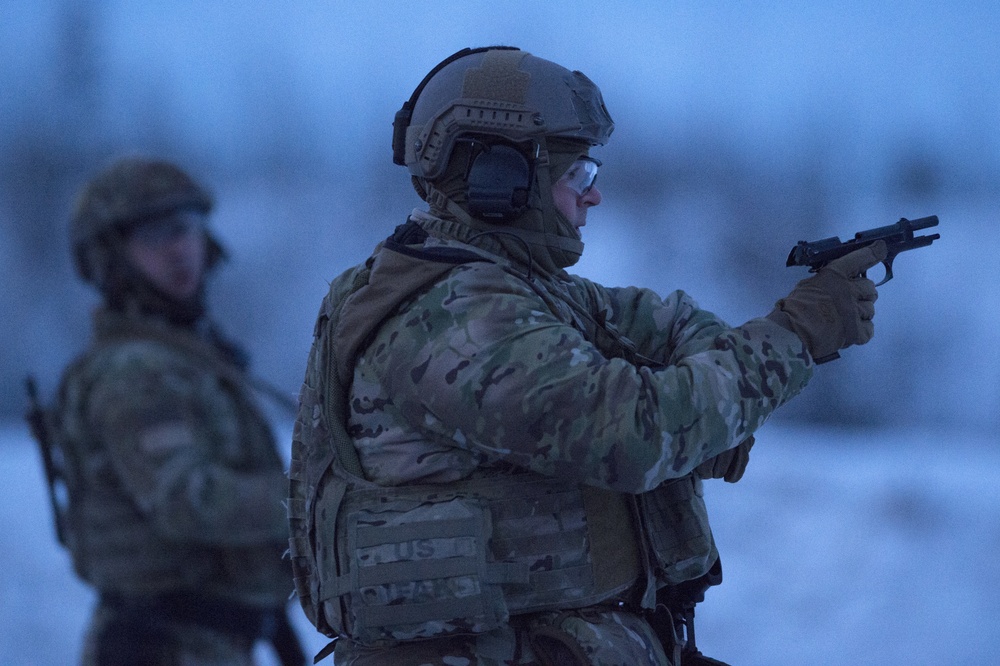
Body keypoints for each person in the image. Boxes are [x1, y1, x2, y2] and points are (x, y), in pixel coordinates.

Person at [287, 47, 885, 666]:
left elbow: (669, 320)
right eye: (578, 177)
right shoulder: (450, 315)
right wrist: (795, 336)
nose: (592, 198)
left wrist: (711, 410)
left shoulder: (526, 288)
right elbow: (630, 433)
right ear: (501, 178)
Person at [45, 157, 305, 665]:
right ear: (111, 258)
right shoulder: (136, 373)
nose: (179, 249)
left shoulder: (190, 357)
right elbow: (189, 500)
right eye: (153, 236)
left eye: (186, 228)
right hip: (164, 644)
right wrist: (312, 497)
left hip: (212, 640)